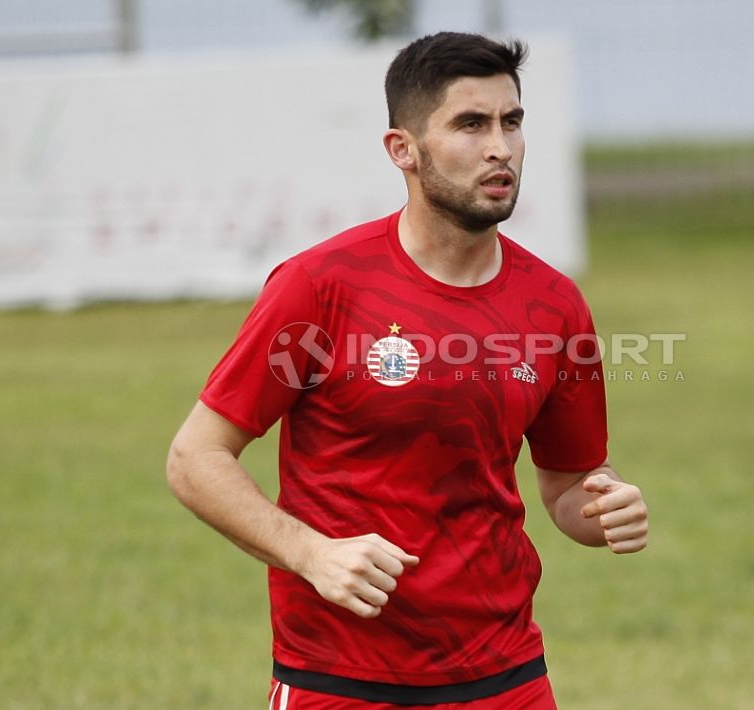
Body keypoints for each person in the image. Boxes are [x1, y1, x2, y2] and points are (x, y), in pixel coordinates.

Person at [167, 31, 649, 709]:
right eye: (470, 124)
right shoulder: (319, 286)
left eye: (512, 122)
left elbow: (569, 483)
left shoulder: (554, 304)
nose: (500, 148)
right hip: (339, 679)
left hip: (507, 678)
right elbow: (195, 456)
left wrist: (604, 507)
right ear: (404, 151)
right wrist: (312, 554)